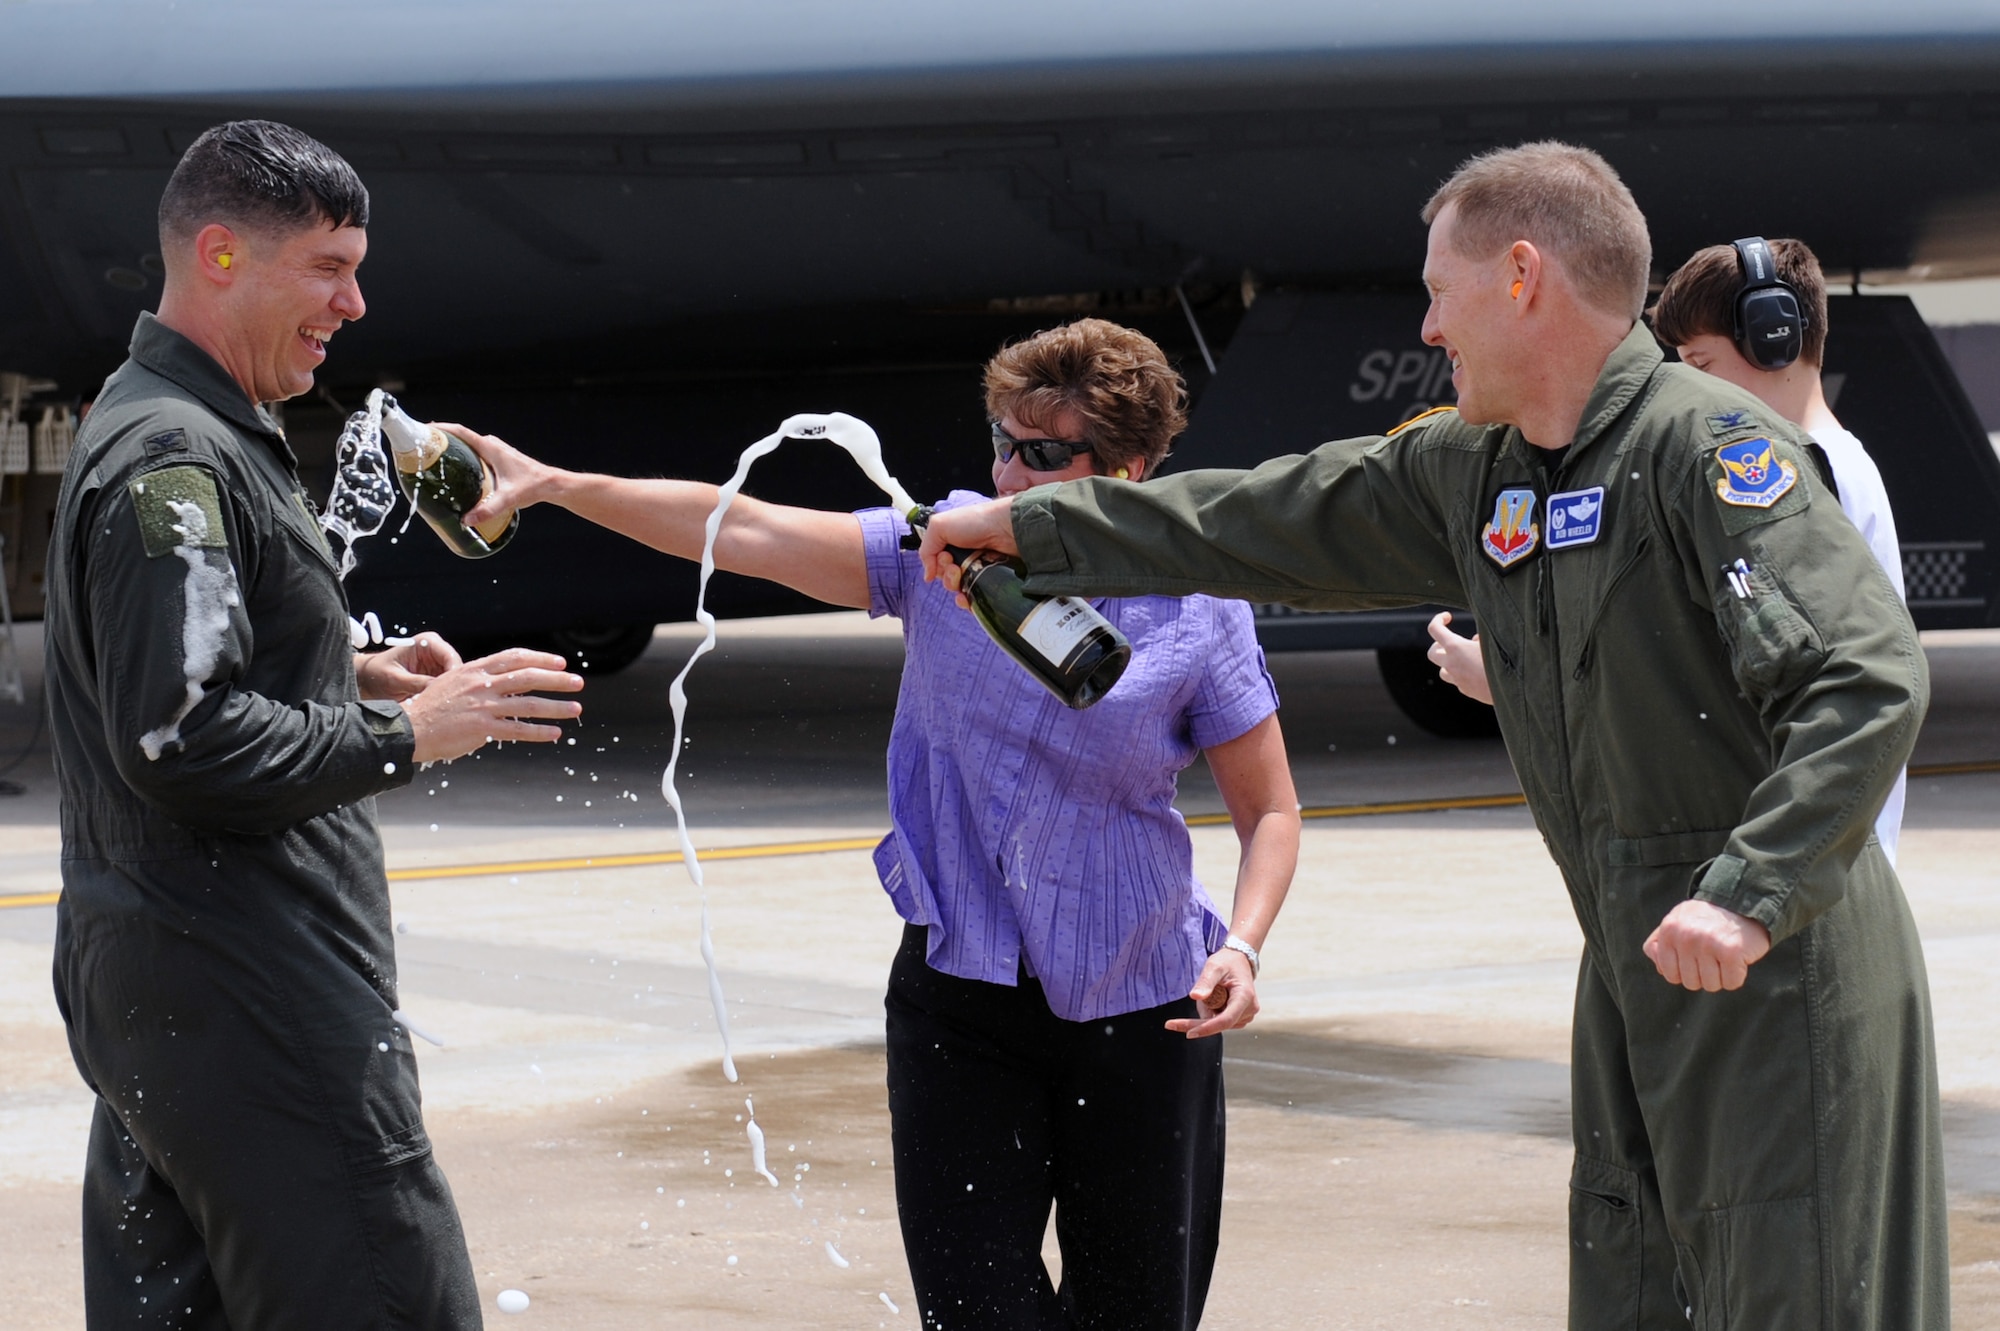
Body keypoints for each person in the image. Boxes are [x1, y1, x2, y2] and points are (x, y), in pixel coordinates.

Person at [918, 143, 1947, 1328]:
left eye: (1439, 288)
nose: (1423, 324)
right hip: (1630, 958)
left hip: (1768, 963)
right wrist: (1030, 525)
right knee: (1633, 1287)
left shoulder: (1704, 451)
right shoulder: (1483, 472)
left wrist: (1750, 889)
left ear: (1520, 276)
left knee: (1793, 1292)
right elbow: (1257, 516)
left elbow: (1864, 675)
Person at [458, 318, 1301, 1330]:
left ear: (1123, 466)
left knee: (1135, 1314)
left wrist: (1242, 946)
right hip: (960, 997)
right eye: (999, 440)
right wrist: (556, 483)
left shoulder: (1196, 603)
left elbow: (1270, 811)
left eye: (1039, 452)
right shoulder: (940, 551)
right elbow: (746, 527)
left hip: (1147, 1003)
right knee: (975, 1311)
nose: (1004, 470)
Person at [44, 120, 585, 1329]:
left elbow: (171, 645)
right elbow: (186, 740)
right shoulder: (171, 459)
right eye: (328, 267)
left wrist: (355, 666)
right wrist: (413, 735)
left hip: (166, 984)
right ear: (223, 255)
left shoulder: (166, 421)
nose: (354, 301)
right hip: (253, 989)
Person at [1428, 235, 1910, 863]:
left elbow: (1729, 685)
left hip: (1788, 869)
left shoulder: (1799, 472)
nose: (1687, 391)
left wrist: (1512, 682)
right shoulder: (1835, 463)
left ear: (1776, 340)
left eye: (1701, 366)